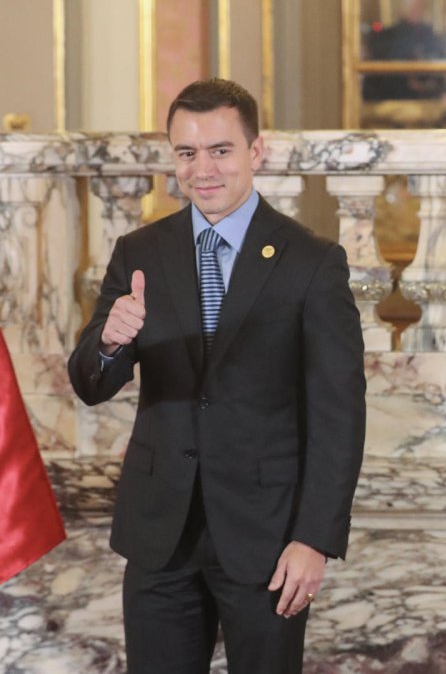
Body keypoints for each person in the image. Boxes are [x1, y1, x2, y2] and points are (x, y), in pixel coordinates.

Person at [68, 78, 366, 674]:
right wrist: (108, 339)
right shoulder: (140, 252)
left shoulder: (311, 262)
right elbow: (90, 384)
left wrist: (315, 540)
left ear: (257, 152)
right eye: (186, 153)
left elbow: (340, 414)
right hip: (160, 538)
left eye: (220, 150)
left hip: (269, 540)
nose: (202, 169)